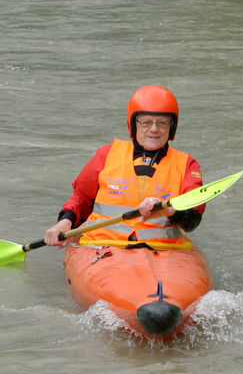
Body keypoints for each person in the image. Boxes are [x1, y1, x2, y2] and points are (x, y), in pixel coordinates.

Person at [44, 85, 205, 250]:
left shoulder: (187, 165)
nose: (154, 129)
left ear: (172, 127)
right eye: (146, 122)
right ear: (133, 124)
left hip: (162, 249)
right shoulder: (105, 155)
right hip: (102, 246)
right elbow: (81, 198)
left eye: (162, 123)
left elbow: (192, 220)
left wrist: (169, 210)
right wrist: (64, 222)